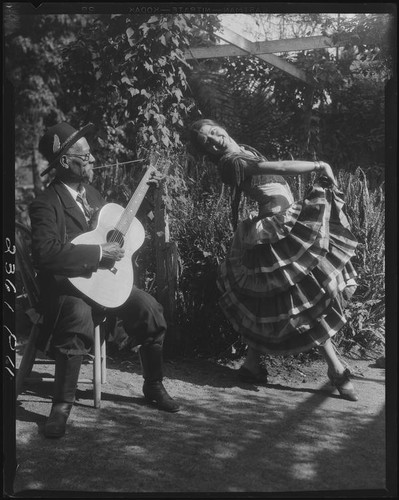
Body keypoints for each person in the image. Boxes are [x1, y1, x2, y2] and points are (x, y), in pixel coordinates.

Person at [188, 118, 359, 402]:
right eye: (208, 142)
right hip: (274, 229)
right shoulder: (231, 162)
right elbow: (279, 168)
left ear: (220, 126)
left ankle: (251, 365)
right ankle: (336, 369)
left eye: (213, 131)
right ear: (209, 151)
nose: (215, 139)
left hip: (281, 226)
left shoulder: (242, 150)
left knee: (273, 301)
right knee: (300, 299)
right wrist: (319, 166)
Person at [29, 122, 180, 438]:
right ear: (66, 162)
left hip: (106, 285)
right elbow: (45, 254)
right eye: (85, 155)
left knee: (150, 309)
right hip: (68, 288)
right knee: (76, 315)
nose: (93, 159)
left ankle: (153, 384)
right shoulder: (47, 203)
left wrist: (145, 191)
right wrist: (98, 253)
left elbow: (117, 228)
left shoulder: (94, 195)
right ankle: (61, 405)